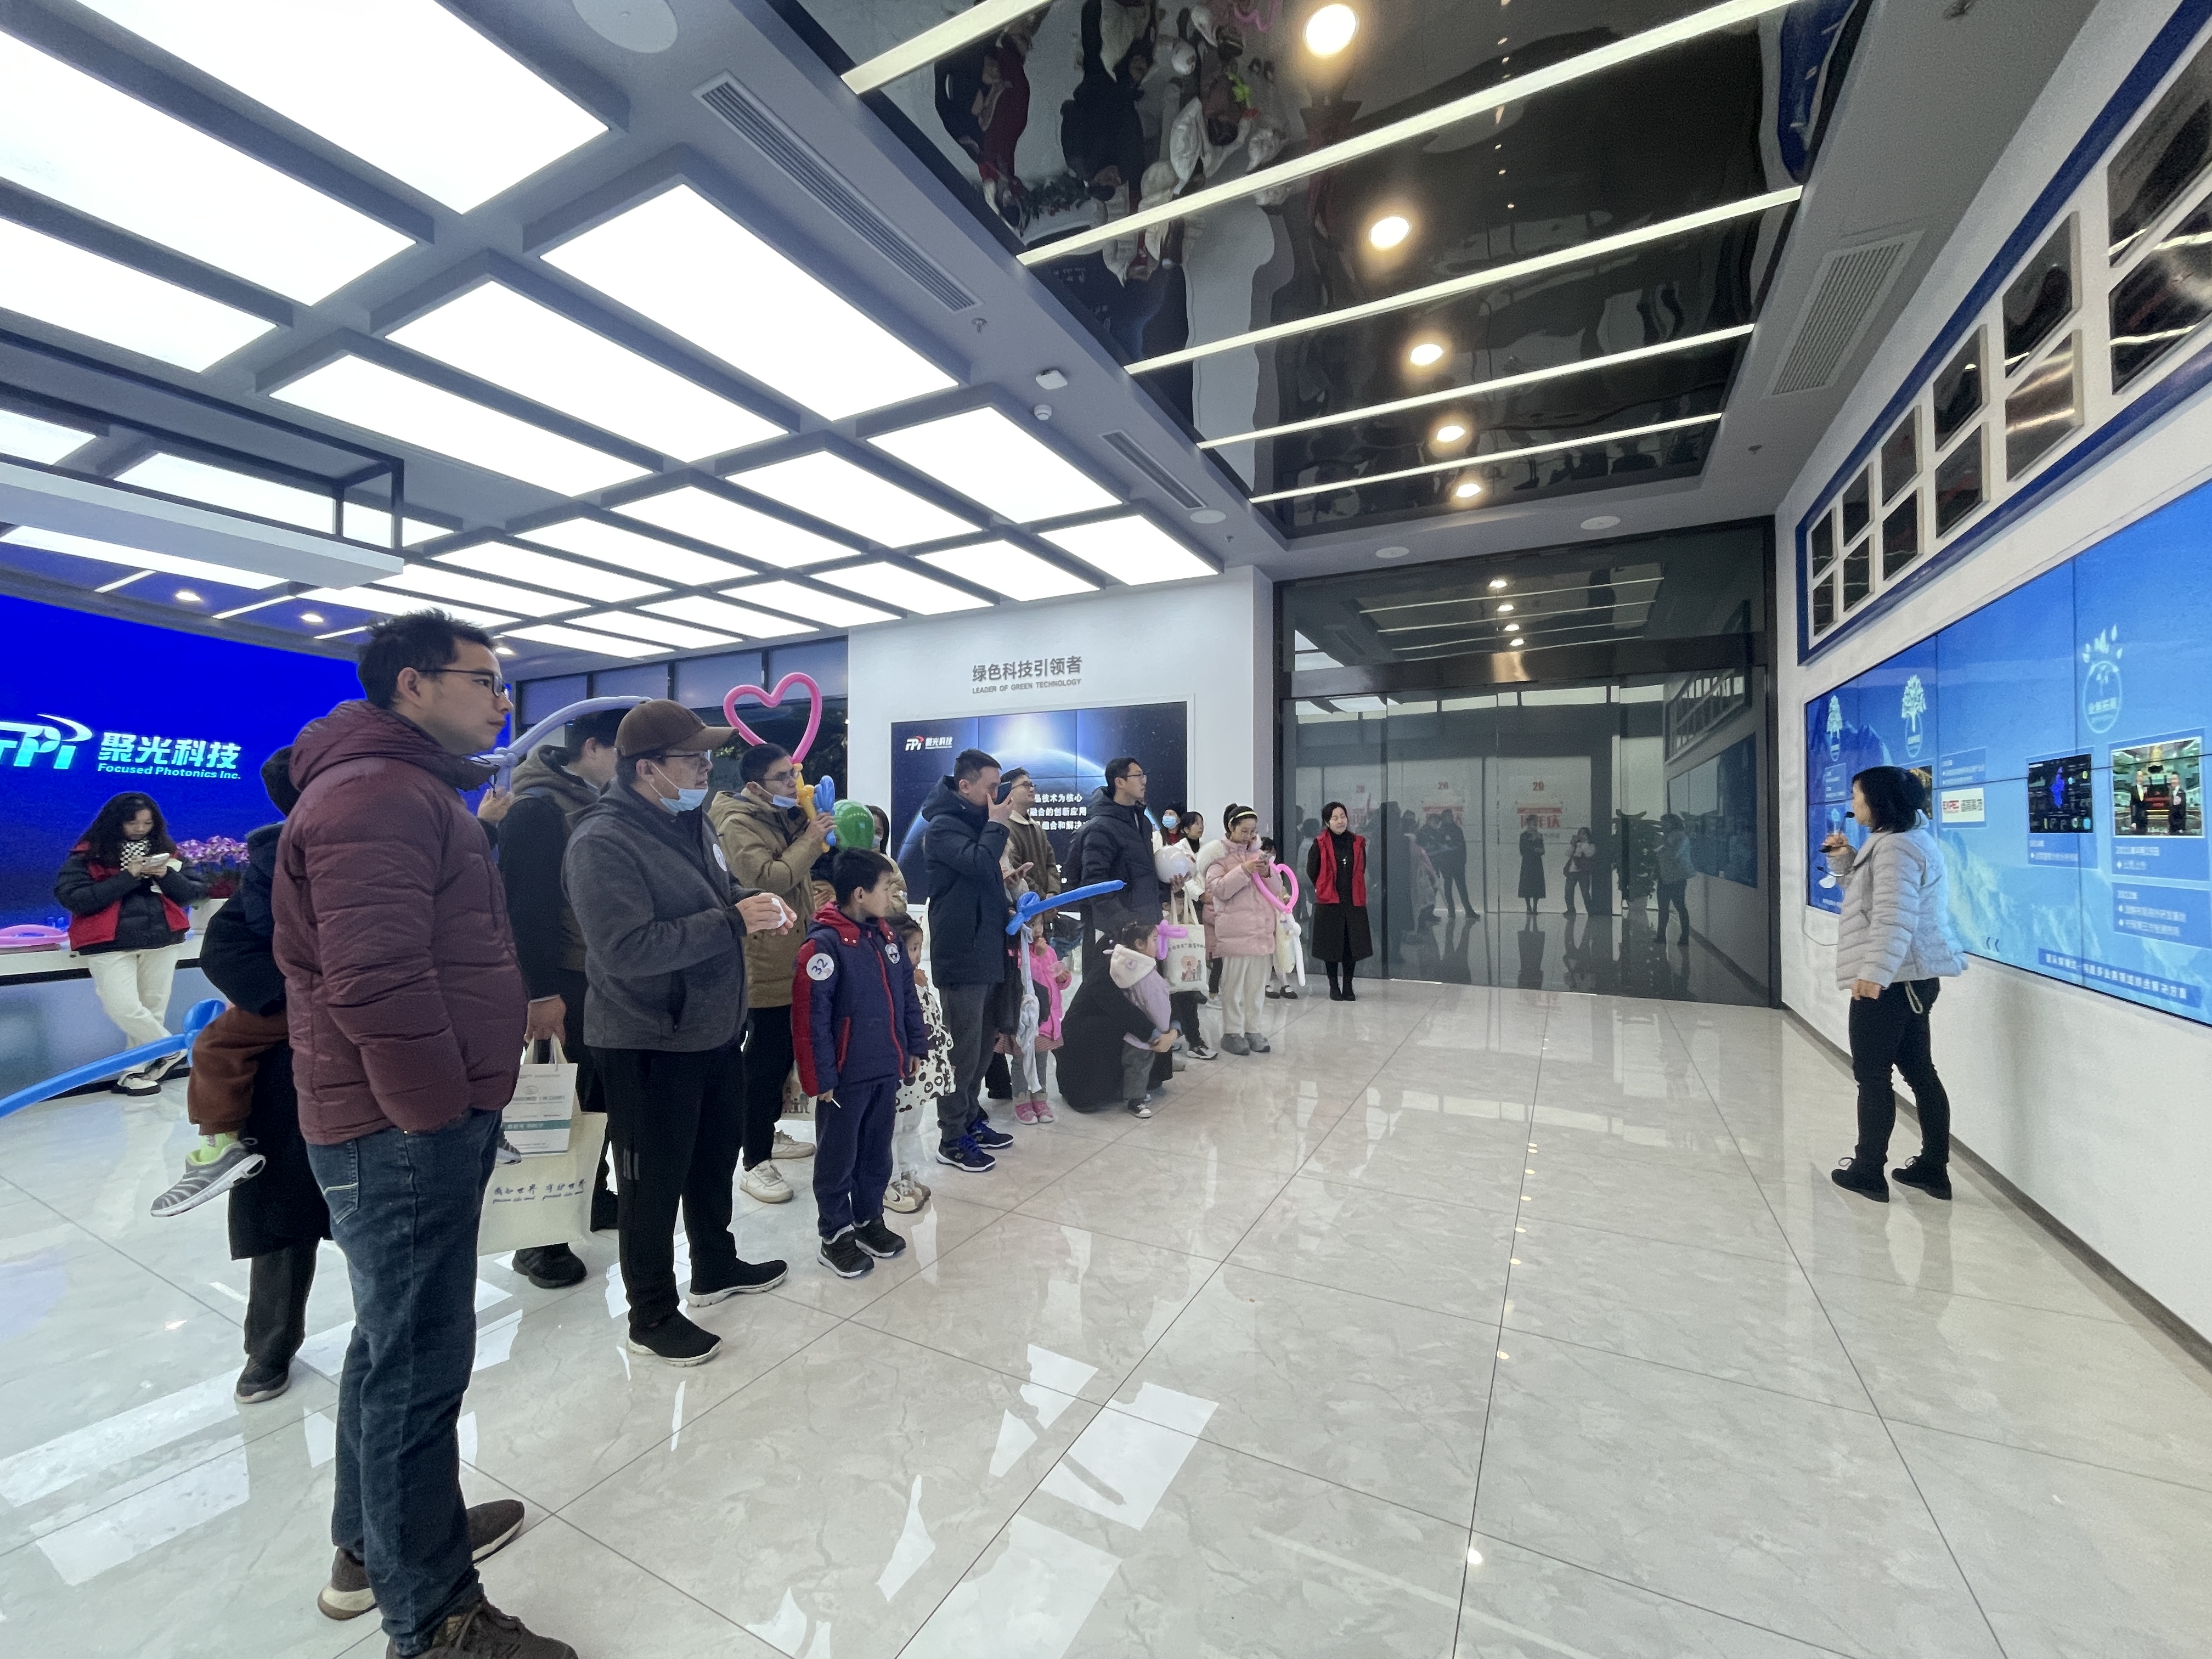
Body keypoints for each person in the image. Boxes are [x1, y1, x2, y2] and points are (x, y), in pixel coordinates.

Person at [272, 611, 567, 1659]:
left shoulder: (399, 786)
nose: (502, 700)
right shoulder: (376, 794)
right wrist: (439, 1105)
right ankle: (434, 1614)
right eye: (483, 679)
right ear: (411, 683)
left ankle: (382, 1540)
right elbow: (376, 978)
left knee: (391, 1342)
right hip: (399, 1126)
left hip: (401, 1118)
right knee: (417, 1363)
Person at [565, 700, 792, 1368]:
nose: (705, 769)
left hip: (713, 1029)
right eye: (692, 759)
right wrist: (732, 922)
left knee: (713, 1157)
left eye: (706, 757)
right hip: (648, 1038)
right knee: (651, 1182)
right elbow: (626, 949)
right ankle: (652, 1313)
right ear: (647, 768)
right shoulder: (602, 842)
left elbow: (712, 901)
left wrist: (747, 908)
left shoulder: (690, 820)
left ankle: (715, 1264)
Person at [144, 749, 329, 1411]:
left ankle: (398, 1339)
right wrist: (300, 999)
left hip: (378, 1054)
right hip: (288, 1067)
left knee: (394, 1218)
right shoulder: (276, 859)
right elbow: (228, 946)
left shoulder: (394, 847)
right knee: (281, 1211)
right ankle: (269, 1347)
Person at [496, 709, 625, 1285]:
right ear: (593, 748)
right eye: (623, 753)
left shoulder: (595, 804)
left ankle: (590, 1196)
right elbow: (526, 910)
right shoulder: (538, 810)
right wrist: (540, 993)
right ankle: (537, 1239)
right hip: (561, 984)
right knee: (550, 1110)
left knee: (595, 1101)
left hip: (598, 979)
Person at [1822, 766, 1966, 1203]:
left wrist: (1873, 975)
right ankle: (1933, 1168)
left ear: (1879, 802)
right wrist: (1844, 861)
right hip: (1909, 978)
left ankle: (1868, 1170)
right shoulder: (1899, 840)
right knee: (1920, 1072)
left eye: (1858, 796)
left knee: (1873, 1076)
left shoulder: (1896, 848)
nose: (1853, 804)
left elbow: (1892, 918)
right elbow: (1873, 901)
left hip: (1893, 980)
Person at [792, 849, 929, 1278]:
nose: (893, 895)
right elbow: (810, 1017)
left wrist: (913, 1045)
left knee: (876, 1153)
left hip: (885, 1068)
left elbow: (906, 996)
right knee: (838, 1158)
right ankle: (835, 1235)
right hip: (844, 1078)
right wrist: (819, 1077)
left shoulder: (888, 939)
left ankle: (869, 1220)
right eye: (887, 888)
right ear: (859, 893)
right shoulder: (824, 946)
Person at [708, 742, 832, 1207]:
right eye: (783, 778)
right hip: (763, 961)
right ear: (756, 786)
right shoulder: (736, 823)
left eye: (794, 774)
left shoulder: (781, 815)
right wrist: (811, 839)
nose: (793, 785)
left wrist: (809, 823)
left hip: (793, 953)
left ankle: (765, 1131)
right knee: (764, 1063)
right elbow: (768, 879)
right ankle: (754, 1160)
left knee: (782, 1059)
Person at [55, 791, 207, 1097]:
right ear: (115, 821)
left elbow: (195, 893)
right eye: (132, 823)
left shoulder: (168, 852)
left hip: (162, 939)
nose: (140, 829)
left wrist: (165, 875)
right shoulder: (87, 856)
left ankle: (133, 1074)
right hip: (108, 942)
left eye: (147, 823)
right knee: (123, 1007)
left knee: (153, 1009)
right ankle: (172, 1048)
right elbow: (75, 898)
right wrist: (129, 876)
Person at [921, 747, 1019, 1173]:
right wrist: (997, 826)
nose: (999, 796)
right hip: (962, 953)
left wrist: (1008, 896)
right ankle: (951, 1137)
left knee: (982, 1050)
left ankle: (970, 1119)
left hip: (989, 949)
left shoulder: (977, 825)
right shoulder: (943, 827)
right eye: (992, 787)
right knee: (962, 1051)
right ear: (965, 786)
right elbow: (978, 864)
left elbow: (981, 881)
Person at [1204, 806, 1285, 1055]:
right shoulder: (1218, 857)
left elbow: (1277, 889)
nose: (1249, 836)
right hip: (1235, 934)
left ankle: (1253, 1029)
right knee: (1233, 988)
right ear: (1231, 828)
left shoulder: (1259, 854)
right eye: (1244, 831)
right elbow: (1218, 890)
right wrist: (1244, 871)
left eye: (1253, 831)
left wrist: (1268, 872)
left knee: (1257, 987)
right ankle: (1232, 1032)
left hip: (1262, 932)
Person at [1076, 756, 1162, 971]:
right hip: (1119, 933)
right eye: (1138, 776)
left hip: (1145, 925)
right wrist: (1125, 921)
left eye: (1144, 776)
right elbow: (1094, 881)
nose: (1144, 781)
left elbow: (1142, 871)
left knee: (1147, 987)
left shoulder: (1142, 822)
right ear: (1120, 782)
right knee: (1116, 987)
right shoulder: (1102, 827)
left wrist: (1167, 888)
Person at [888, 913, 949, 1213]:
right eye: (911, 949)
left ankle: (906, 1173)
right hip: (901, 1073)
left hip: (921, 1072)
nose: (916, 956)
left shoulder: (917, 981)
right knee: (893, 1128)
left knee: (912, 1126)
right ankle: (888, 1182)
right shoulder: (893, 985)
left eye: (918, 949)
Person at [997, 916, 1069, 1120]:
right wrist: (1037, 957)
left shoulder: (1049, 951)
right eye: (1031, 925)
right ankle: (1021, 1101)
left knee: (1041, 1061)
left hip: (1046, 1019)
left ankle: (1040, 1098)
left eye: (1040, 924)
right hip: (1025, 1020)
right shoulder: (1016, 953)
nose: (1037, 930)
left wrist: (1063, 978)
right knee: (1021, 1060)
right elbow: (1027, 979)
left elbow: (1055, 979)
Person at [1305, 802, 1372, 1000]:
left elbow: (1362, 868)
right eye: (1335, 818)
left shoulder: (1357, 842)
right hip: (1330, 901)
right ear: (1327, 822)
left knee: (1351, 946)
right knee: (1331, 947)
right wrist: (1324, 886)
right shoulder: (1319, 843)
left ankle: (1348, 986)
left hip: (1353, 901)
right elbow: (1312, 870)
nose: (1340, 821)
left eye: (1343, 816)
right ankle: (1334, 986)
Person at [1654, 812, 1694, 945]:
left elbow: (1672, 854)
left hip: (1676, 879)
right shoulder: (1667, 837)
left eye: (1665, 823)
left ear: (1673, 823)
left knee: (1680, 907)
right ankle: (1661, 935)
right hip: (1665, 877)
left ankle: (1684, 936)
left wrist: (1662, 846)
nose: (1663, 826)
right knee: (1664, 908)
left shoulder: (1680, 836)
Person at [1427, 810, 1472, 916]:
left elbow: (1462, 846)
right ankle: (1451, 911)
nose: (1451, 818)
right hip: (1446, 864)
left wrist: (1464, 859)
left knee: (1462, 887)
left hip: (1458, 863)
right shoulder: (1441, 831)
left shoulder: (1457, 830)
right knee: (1448, 887)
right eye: (1448, 816)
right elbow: (1440, 847)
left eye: (1451, 816)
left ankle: (1468, 910)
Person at [1563, 827, 1598, 918]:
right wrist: (1573, 845)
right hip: (1572, 871)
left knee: (1585, 892)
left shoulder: (1591, 846)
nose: (1582, 836)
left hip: (1583, 872)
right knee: (1568, 891)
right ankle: (1571, 910)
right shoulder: (1576, 845)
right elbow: (1568, 854)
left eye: (1584, 834)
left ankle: (1590, 911)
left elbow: (1589, 854)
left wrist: (1584, 844)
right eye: (1580, 834)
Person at [1517, 822, 1547, 918]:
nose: (1534, 826)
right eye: (1533, 823)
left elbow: (1543, 850)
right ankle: (1528, 906)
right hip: (1527, 862)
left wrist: (1540, 850)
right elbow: (1522, 849)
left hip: (1537, 862)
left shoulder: (1539, 835)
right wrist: (1534, 849)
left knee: (1537, 883)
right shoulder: (1524, 836)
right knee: (1527, 883)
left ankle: (1535, 907)